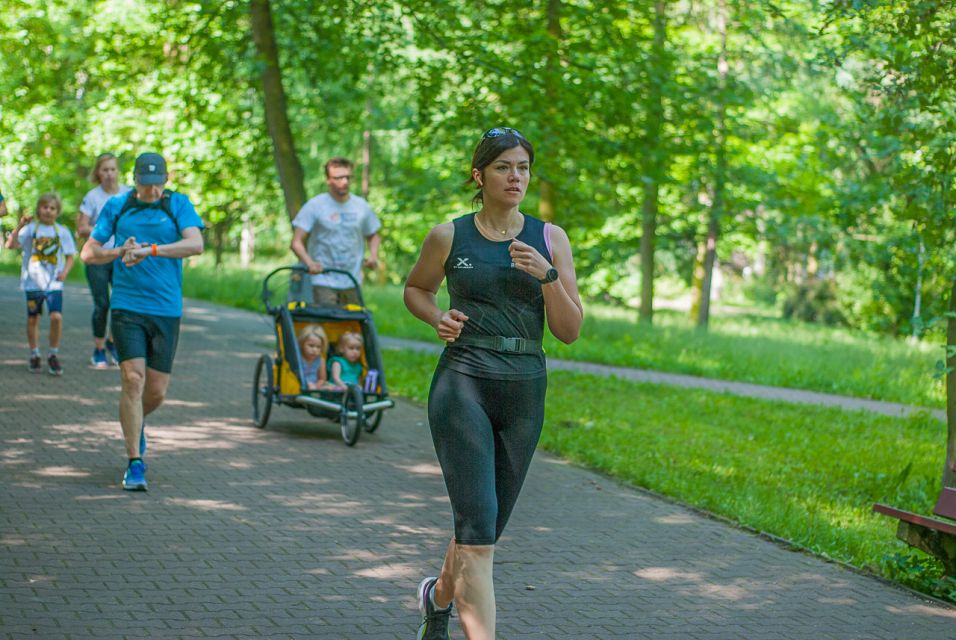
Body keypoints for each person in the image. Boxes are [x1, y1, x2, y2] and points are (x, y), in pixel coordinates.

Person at [403, 127, 583, 640]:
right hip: (463, 382)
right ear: (479, 176)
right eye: (504, 167)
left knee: (482, 527)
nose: (516, 176)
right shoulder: (449, 235)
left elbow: (569, 332)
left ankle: (436, 598)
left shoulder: (550, 239)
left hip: (525, 387)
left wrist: (547, 277)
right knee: (480, 540)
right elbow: (416, 288)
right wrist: (435, 316)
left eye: (523, 167)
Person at [80, 152, 204, 492]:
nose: (149, 191)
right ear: (135, 180)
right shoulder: (118, 206)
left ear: (165, 180)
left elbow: (196, 244)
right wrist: (119, 251)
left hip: (165, 308)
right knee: (132, 380)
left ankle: (136, 423)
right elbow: (88, 253)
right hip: (127, 306)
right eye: (143, 184)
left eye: (155, 184)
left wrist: (150, 250)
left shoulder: (177, 204)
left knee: (156, 392)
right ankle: (135, 463)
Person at [290, 157, 381, 307]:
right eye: (338, 178)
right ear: (328, 179)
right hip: (323, 278)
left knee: (353, 327)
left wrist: (373, 256)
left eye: (348, 177)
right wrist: (309, 263)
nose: (344, 181)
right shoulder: (315, 205)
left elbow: (373, 235)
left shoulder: (361, 206)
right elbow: (296, 242)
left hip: (352, 279)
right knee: (329, 322)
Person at [5, 192, 77, 376]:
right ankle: (34, 353)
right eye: (45, 207)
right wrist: (20, 225)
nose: (48, 211)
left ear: (57, 211)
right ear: (39, 209)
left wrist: (65, 272)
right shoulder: (31, 229)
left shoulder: (62, 232)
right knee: (33, 318)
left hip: (54, 284)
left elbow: (70, 256)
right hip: (33, 283)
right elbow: (10, 245)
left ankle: (53, 353)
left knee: (56, 317)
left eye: (52, 208)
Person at [76, 153, 132, 368]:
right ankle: (99, 349)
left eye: (112, 169)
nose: (109, 174)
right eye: (104, 170)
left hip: (122, 257)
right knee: (102, 305)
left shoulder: (129, 193)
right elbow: (81, 229)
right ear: (98, 173)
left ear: (118, 171)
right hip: (98, 258)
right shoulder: (92, 197)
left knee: (121, 305)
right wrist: (105, 229)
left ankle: (112, 342)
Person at [297, 324, 330, 390]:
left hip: (314, 387)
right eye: (311, 346)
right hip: (298, 386)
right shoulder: (298, 358)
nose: (315, 350)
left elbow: (322, 379)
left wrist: (316, 386)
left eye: (318, 347)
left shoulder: (320, 360)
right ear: (302, 343)